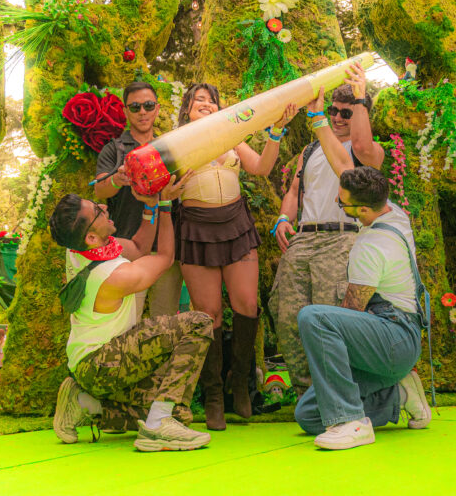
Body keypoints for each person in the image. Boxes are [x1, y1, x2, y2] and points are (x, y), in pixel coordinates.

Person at [49, 172, 215, 453]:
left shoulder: (81, 249)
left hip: (90, 365)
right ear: (91, 236)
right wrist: (164, 205)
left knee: (170, 409)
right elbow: (164, 258)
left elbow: (138, 247)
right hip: (102, 363)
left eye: (96, 204)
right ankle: (160, 425)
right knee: (198, 322)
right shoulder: (111, 276)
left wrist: (149, 206)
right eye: (97, 211)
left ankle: (84, 402)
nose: (104, 207)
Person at [176, 83, 296, 430]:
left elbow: (260, 167)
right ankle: (213, 394)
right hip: (197, 227)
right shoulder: (179, 140)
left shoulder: (231, 136)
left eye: (211, 100)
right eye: (198, 100)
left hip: (236, 224)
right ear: (187, 108)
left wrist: (275, 132)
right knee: (208, 312)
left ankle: (241, 381)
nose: (206, 104)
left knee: (246, 303)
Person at [293, 163, 432, 450]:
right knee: (308, 414)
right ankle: (400, 395)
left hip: (394, 340)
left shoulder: (371, 247)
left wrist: (329, 353)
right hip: (397, 337)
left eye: (343, 204)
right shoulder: (393, 212)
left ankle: (352, 422)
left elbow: (351, 310)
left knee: (314, 318)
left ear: (364, 211)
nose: (337, 203)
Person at [269, 62, 384, 396]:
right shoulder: (311, 148)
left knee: (330, 319)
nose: (336, 118)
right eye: (333, 110)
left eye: (346, 114)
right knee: (288, 316)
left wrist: (355, 101)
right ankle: (310, 395)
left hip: (340, 238)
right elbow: (294, 190)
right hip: (303, 239)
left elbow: (353, 161)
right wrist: (283, 218)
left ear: (361, 114)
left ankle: (338, 394)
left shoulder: (367, 152)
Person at [95, 81, 182, 319]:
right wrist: (117, 180)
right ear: (125, 111)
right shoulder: (114, 149)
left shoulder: (169, 147)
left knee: (164, 325)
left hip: (165, 251)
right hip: (127, 251)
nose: (142, 112)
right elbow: (100, 190)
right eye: (135, 107)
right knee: (125, 325)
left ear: (157, 108)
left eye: (148, 105)